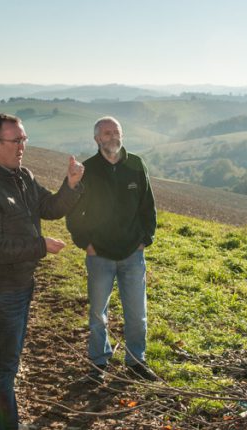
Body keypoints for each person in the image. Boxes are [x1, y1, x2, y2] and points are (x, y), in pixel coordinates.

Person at [0, 113, 84, 430]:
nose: (22, 146)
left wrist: (70, 185)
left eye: (24, 139)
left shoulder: (22, 175)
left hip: (19, 283)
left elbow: (51, 208)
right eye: (16, 140)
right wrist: (40, 246)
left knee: (4, 360)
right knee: (5, 363)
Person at [66, 116, 158, 384]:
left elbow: (147, 208)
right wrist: (87, 244)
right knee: (97, 314)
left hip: (132, 254)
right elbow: (74, 213)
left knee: (137, 314)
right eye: (106, 133)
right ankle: (98, 363)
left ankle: (136, 361)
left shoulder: (136, 165)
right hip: (100, 256)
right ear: (97, 139)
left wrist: (145, 240)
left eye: (116, 132)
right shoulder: (88, 170)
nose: (113, 137)